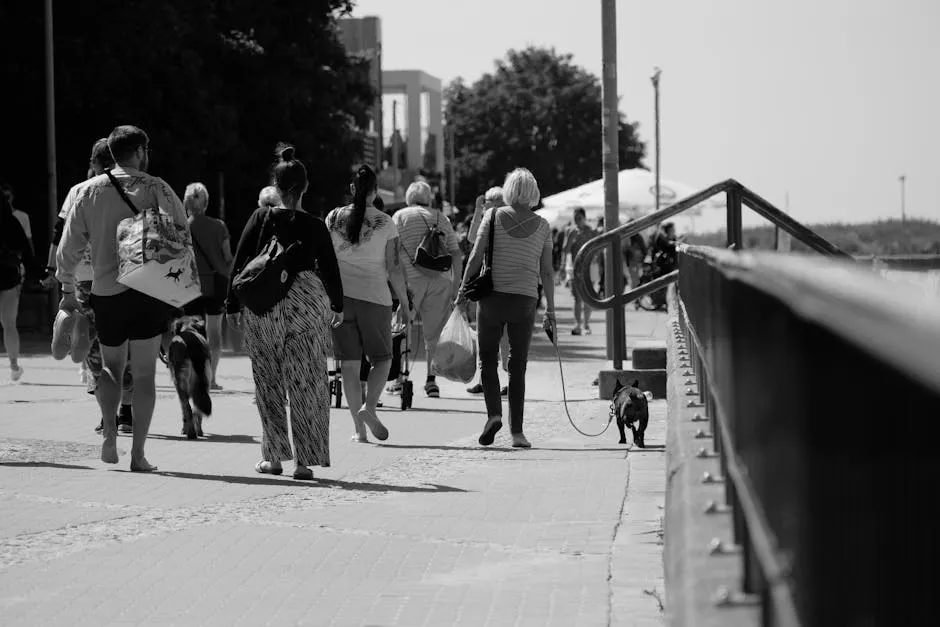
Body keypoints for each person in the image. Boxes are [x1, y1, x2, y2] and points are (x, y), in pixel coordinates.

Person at [57, 124, 186, 471]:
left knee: (111, 369)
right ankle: (139, 455)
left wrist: (67, 289)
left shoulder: (88, 191)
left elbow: (68, 248)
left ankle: (110, 433)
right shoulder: (155, 187)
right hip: (147, 292)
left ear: (111, 154)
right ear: (141, 151)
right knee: (143, 375)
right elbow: (181, 227)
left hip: (106, 292)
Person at [227, 145, 344, 480]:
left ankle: (274, 458)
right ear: (305, 187)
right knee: (308, 383)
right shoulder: (315, 225)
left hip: (265, 304)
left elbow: (240, 263)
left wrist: (232, 305)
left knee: (268, 381)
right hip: (307, 303)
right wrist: (337, 304)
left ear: (275, 188)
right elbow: (331, 270)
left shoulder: (260, 217)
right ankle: (304, 463)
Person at [457, 167, 555, 449]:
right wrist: (550, 310)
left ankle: (493, 415)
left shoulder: (493, 216)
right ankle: (518, 433)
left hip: (492, 298)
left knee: (487, 360)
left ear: (509, 190)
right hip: (525, 301)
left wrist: (463, 290)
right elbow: (547, 272)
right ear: (534, 193)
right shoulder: (544, 226)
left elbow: (475, 256)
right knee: (518, 365)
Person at [48, 137, 135, 433]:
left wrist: (63, 280)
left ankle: (107, 414)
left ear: (95, 163)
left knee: (93, 348)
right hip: (126, 277)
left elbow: (62, 235)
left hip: (86, 278)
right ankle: (126, 412)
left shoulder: (79, 191)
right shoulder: (137, 186)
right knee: (125, 344)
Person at [326, 165, 412, 443]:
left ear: (353, 189)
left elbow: (325, 261)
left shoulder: (333, 218)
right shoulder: (386, 223)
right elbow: (395, 268)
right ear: (375, 192)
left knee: (349, 367)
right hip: (375, 300)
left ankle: (359, 431)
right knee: (383, 359)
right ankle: (370, 407)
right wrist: (405, 304)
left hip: (341, 301)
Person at [392, 181, 463, 399]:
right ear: (428, 198)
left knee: (402, 328)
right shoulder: (441, 218)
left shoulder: (399, 217)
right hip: (439, 282)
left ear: (409, 198)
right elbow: (456, 253)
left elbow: (392, 253)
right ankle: (431, 381)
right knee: (434, 334)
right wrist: (455, 285)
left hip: (410, 282)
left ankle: (399, 378)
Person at [183, 182, 233, 390]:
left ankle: (195, 376)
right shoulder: (219, 226)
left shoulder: (182, 227)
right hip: (216, 284)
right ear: (206, 203)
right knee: (214, 332)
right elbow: (228, 257)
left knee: (193, 332)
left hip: (191, 285)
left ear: (186, 202)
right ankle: (211, 379)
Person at [465, 188, 509, 396]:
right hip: (487, 285)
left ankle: (509, 380)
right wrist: (477, 211)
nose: (487, 205)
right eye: (487, 202)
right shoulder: (487, 220)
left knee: (504, 338)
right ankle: (487, 380)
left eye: (491, 202)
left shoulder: (507, 220)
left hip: (500, 284)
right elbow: (472, 239)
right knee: (485, 337)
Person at [0, 187, 34, 382]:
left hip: (8, 275)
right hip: (8, 277)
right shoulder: (11, 221)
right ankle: (13, 365)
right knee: (9, 324)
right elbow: (26, 250)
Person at [564, 207, 596, 335]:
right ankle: (577, 325)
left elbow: (596, 249)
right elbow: (565, 251)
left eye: (579, 218)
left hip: (588, 268)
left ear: (584, 218)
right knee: (577, 298)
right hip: (574, 267)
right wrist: (571, 239)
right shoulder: (570, 231)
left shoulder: (591, 231)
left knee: (588, 297)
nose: (577, 221)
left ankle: (586, 324)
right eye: (575, 218)